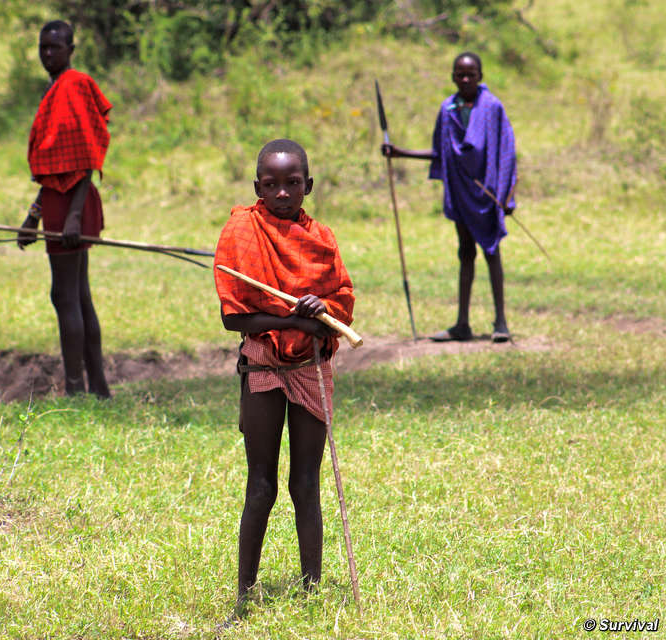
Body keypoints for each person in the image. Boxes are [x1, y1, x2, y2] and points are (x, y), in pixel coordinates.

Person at [213, 139, 356, 616]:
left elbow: (339, 305)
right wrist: (294, 319)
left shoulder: (322, 240)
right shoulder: (241, 230)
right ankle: (244, 596)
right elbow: (234, 318)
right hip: (262, 364)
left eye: (292, 183)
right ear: (257, 187)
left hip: (310, 366)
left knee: (305, 485)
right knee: (261, 485)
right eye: (270, 185)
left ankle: (312, 591)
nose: (281, 193)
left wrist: (323, 310)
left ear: (308, 186)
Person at [382, 51, 516, 342]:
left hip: (488, 192)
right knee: (465, 252)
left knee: (492, 251)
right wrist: (399, 152)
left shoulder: (492, 107)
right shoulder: (448, 109)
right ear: (453, 76)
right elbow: (440, 153)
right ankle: (462, 324)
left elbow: (506, 152)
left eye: (471, 73)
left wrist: (507, 195)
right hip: (460, 192)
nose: (465, 79)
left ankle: (501, 322)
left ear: (481, 76)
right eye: (460, 74)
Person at [18, 20, 111, 397]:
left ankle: (75, 388)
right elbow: (52, 171)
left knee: (64, 295)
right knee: (78, 294)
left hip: (73, 205)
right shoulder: (56, 89)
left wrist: (72, 215)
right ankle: (99, 388)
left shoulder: (72, 86)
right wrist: (32, 218)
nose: (47, 54)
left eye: (54, 48)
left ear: (71, 49)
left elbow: (84, 159)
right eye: (43, 47)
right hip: (60, 205)